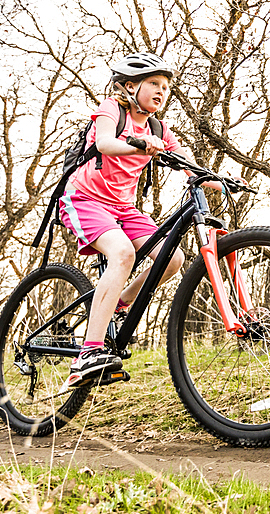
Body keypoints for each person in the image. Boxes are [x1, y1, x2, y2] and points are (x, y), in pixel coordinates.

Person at [58, 52, 222, 389]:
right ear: (130, 86)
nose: (162, 91)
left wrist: (211, 178)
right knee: (122, 254)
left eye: (166, 87)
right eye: (154, 84)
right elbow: (104, 142)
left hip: (122, 208)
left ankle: (119, 303)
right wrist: (138, 144)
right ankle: (88, 352)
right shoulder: (112, 110)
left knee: (172, 259)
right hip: (83, 199)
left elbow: (185, 161)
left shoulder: (158, 127)